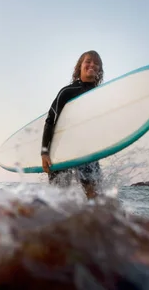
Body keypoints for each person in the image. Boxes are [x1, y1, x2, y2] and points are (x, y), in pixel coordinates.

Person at [41, 50, 104, 199]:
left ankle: (91, 221)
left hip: (87, 152)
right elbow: (50, 121)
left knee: (95, 196)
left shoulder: (101, 95)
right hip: (62, 149)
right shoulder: (67, 92)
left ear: (99, 70)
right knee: (60, 197)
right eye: (88, 61)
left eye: (96, 63)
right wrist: (44, 152)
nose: (92, 65)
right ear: (79, 66)